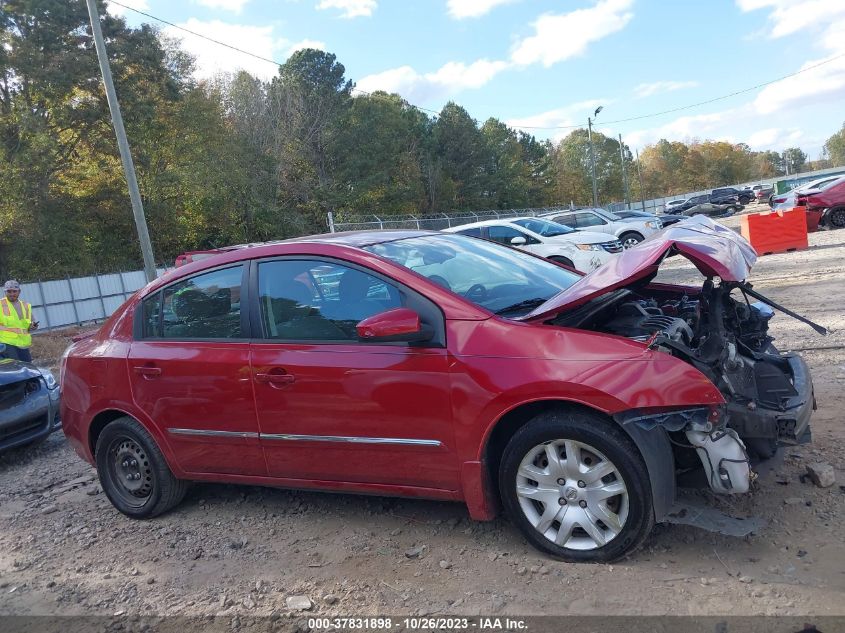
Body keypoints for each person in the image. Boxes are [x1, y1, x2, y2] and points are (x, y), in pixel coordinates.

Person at [0, 280, 38, 363]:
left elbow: (31, 323)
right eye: (9, 291)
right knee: (15, 368)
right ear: (5, 292)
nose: (12, 294)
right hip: (7, 343)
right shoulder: (0, 304)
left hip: (23, 344)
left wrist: (33, 326)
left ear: (19, 291)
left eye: (14, 291)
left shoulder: (25, 306)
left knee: (28, 367)